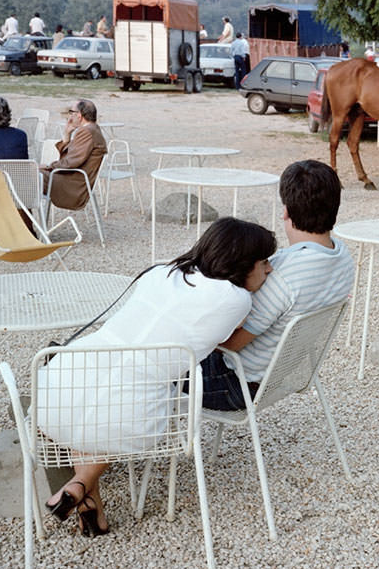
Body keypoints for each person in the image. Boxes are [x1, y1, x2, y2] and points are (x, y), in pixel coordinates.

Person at [39, 218, 277, 536]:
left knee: (89, 416)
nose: (270, 270)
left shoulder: (161, 272)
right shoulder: (235, 300)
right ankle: (79, 485)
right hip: (132, 406)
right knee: (110, 418)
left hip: (62, 385)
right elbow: (222, 341)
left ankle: (82, 492)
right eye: (264, 262)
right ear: (243, 264)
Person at [199, 159, 355, 411]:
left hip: (237, 383)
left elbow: (231, 343)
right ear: (334, 207)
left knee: (154, 357)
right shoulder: (343, 258)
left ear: (286, 211)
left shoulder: (281, 273)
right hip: (280, 377)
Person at [39, 99, 106, 210]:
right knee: (28, 176)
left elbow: (70, 162)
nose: (69, 117)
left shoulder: (86, 132)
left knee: (26, 176)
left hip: (73, 186)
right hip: (72, 179)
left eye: (71, 112)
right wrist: (67, 135)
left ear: (79, 115)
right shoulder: (92, 129)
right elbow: (70, 159)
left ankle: (24, 224)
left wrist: (48, 166)